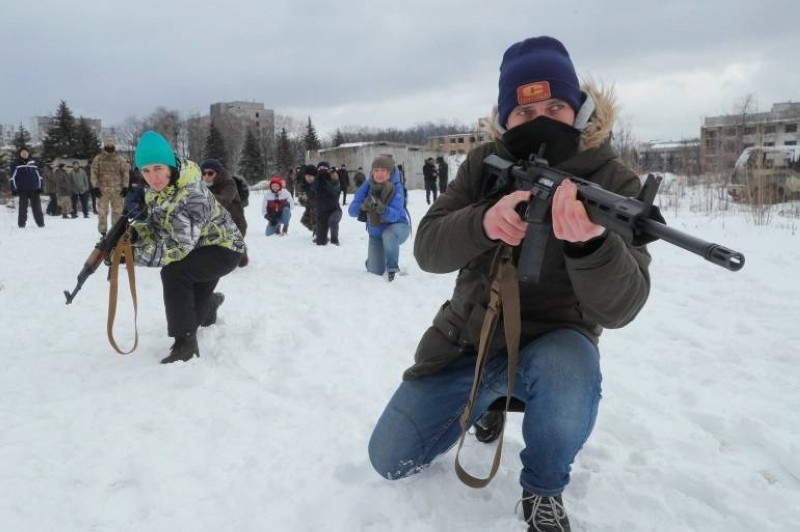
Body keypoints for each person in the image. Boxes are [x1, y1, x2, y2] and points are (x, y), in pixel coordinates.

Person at [367, 36, 653, 531]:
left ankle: (543, 489)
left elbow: (622, 308)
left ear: (580, 110)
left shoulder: (613, 180)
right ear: (505, 120)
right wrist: (482, 222)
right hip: (468, 341)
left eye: (555, 105)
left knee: (570, 368)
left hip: (555, 349)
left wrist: (591, 246)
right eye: (524, 112)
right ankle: (487, 402)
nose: (540, 118)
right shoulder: (483, 165)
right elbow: (428, 246)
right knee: (389, 458)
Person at [126, 131, 245, 364]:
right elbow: (159, 229)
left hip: (223, 249)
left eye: (158, 168)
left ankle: (185, 345)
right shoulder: (154, 193)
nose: (153, 177)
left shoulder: (193, 193)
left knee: (174, 272)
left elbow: (178, 248)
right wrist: (135, 235)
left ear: (171, 165)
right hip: (197, 247)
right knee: (194, 314)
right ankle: (210, 306)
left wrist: (131, 256)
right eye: (146, 171)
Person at [348, 156, 410, 281]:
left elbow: (394, 216)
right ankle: (374, 260)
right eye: (376, 170)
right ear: (372, 172)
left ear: (390, 172)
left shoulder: (397, 187)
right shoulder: (367, 185)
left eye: (383, 170)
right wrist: (363, 206)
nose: (379, 174)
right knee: (375, 271)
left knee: (389, 234)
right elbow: (351, 211)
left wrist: (382, 208)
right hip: (375, 233)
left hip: (398, 229)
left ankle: (392, 269)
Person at [200, 159, 249, 267]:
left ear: (218, 173)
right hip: (217, 224)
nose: (206, 176)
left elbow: (224, 200)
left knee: (240, 261)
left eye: (210, 173)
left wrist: (201, 196)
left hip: (236, 224)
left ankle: (241, 249)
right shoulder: (203, 185)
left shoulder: (228, 183)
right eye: (204, 173)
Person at [91, 138, 129, 236]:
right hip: (102, 190)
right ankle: (103, 232)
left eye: (111, 145)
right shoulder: (98, 159)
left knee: (117, 212)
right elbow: (94, 173)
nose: (110, 147)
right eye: (108, 145)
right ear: (105, 145)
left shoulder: (120, 159)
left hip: (117, 190)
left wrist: (125, 186)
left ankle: (115, 232)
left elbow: (125, 173)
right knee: (102, 212)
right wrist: (95, 187)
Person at [8, 148, 45, 228]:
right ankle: (21, 225)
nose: (24, 154)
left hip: (34, 189)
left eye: (26, 152)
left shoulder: (34, 163)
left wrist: (40, 187)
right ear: (20, 154)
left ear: (28, 154)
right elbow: (12, 177)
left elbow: (40, 176)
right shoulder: (15, 164)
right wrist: (13, 189)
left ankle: (41, 224)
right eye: (22, 152)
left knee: (37, 208)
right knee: (22, 209)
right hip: (22, 190)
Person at [314, 161, 342, 246]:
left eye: (325, 168)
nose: (322, 170)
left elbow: (335, 191)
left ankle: (334, 238)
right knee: (320, 242)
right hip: (322, 212)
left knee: (333, 221)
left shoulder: (334, 179)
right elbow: (311, 189)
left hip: (335, 210)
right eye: (320, 168)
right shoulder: (316, 180)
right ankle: (322, 237)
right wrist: (317, 180)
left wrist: (326, 182)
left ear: (328, 170)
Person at [297, 165, 317, 238]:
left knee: (315, 217)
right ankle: (316, 229)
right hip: (309, 206)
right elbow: (301, 200)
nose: (308, 178)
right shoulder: (303, 185)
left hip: (319, 208)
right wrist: (303, 200)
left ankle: (318, 231)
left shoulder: (318, 184)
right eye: (307, 176)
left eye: (311, 176)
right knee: (304, 221)